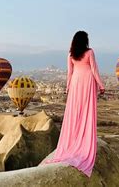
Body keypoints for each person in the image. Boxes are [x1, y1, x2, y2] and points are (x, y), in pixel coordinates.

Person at [40, 31, 105, 177]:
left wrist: (68, 88)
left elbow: (69, 73)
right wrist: (101, 85)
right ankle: (83, 140)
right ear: (85, 40)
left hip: (76, 83)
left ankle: (73, 140)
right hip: (87, 81)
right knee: (86, 111)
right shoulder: (90, 52)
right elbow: (94, 69)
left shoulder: (70, 54)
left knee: (75, 112)